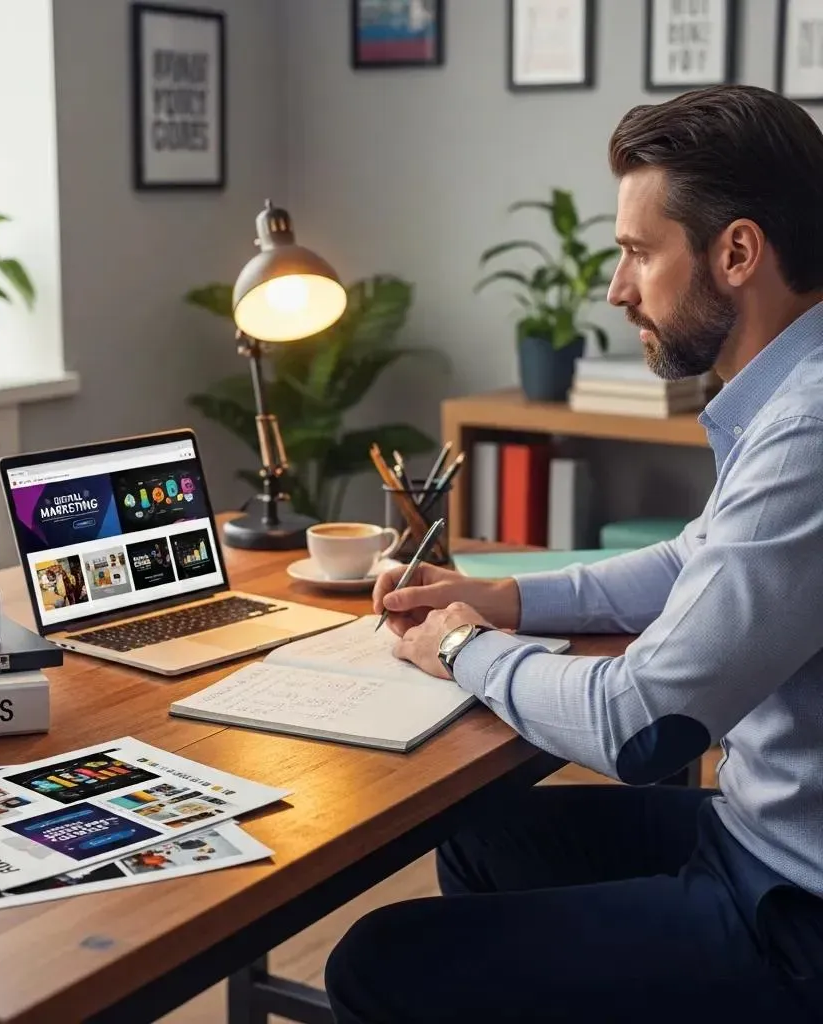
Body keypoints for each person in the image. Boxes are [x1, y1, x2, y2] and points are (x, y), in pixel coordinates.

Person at [325, 84, 823, 1023]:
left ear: (738, 251)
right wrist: (498, 597)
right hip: (761, 838)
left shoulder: (808, 430)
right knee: (485, 838)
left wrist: (466, 647)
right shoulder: (793, 388)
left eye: (638, 251)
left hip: (795, 918)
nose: (616, 288)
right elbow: (695, 559)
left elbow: (646, 727)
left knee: (379, 961)